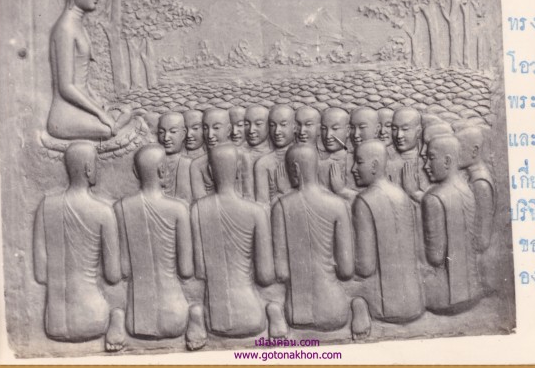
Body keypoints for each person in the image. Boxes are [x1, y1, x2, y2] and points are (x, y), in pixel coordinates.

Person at [33, 142, 125, 351]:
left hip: (54, 323)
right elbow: (112, 276)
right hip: (93, 319)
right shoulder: (103, 212)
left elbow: (41, 275)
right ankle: (117, 320)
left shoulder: (46, 207)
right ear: (88, 169)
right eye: (96, 164)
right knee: (119, 306)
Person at [271, 144, 367, 336]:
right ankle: (358, 305)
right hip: (335, 311)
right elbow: (346, 270)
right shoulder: (337, 204)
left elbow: (281, 273)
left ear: (295, 169)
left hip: (297, 313)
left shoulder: (281, 207)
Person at [191, 145, 285, 338]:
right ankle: (274, 312)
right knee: (273, 300)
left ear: (210, 172)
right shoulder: (256, 212)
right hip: (251, 315)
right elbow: (265, 276)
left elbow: (200, 271)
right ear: (238, 172)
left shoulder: (197, 210)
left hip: (215, 318)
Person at [115, 145, 204, 345]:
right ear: (163, 170)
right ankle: (196, 315)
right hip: (175, 316)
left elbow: (124, 269)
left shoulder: (121, 208)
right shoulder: (178, 209)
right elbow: (186, 271)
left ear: (135, 171)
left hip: (137, 320)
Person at [46, 0, 133, 141]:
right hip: (65, 114)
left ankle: (108, 121)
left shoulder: (78, 25)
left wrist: (100, 103)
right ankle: (108, 124)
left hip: (84, 106)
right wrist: (101, 114)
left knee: (127, 111)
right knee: (108, 129)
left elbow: (83, 84)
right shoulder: (65, 28)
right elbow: (67, 87)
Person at [351, 141, 424, 323]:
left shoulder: (364, 201)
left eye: (359, 162)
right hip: (414, 302)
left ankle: (361, 310)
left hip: (385, 305)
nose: (353, 169)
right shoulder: (401, 195)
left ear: (374, 165)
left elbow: (365, 267)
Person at [422, 135, 481, 314]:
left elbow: (435, 257)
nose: (425, 166)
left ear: (447, 161)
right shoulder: (467, 190)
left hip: (444, 297)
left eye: (431, 158)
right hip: (472, 290)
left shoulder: (433, 199)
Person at [456, 125, 496, 295]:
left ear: (474, 151)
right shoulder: (471, 177)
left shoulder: (480, 183)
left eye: (458, 149)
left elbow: (482, 239)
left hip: (475, 266)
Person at [190, 108, 252, 200]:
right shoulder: (197, 165)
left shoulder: (242, 157)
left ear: (228, 130)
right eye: (205, 128)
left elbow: (249, 196)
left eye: (216, 128)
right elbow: (199, 202)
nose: (210, 135)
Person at [254, 105, 296, 205]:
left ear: (294, 127)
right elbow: (263, 205)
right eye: (272, 125)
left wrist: (285, 191)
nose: (277, 131)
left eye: (283, 125)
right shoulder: (263, 164)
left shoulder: (305, 158)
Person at [319, 107, 357, 202]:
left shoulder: (358, 163)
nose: (328, 135)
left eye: (335, 128)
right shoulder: (319, 165)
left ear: (348, 131)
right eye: (324, 129)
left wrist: (342, 191)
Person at [157, 112, 192, 203]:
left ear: (183, 134)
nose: (166, 138)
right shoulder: (152, 163)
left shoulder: (189, 164)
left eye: (173, 132)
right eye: (161, 132)